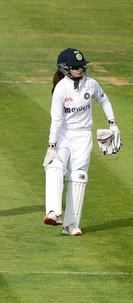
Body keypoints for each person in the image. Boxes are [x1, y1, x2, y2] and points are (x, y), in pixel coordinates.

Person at [43, 48, 121, 236]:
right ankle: (53, 212)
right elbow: (56, 120)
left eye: (82, 66)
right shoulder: (61, 88)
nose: (81, 69)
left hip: (83, 136)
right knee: (55, 166)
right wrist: (52, 145)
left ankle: (71, 225)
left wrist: (113, 124)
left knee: (79, 177)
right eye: (76, 67)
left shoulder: (91, 84)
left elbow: (104, 101)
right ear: (65, 69)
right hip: (63, 134)